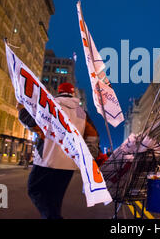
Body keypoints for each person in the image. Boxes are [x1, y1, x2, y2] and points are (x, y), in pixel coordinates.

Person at [17, 82, 105, 219]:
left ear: (58, 91)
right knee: (55, 198)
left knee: (34, 189)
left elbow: (33, 123)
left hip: (47, 158)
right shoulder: (82, 113)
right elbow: (93, 136)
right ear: (73, 94)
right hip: (69, 162)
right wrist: (88, 158)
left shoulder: (50, 106)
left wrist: (22, 110)